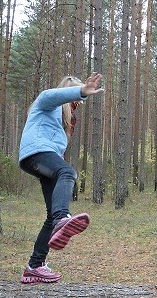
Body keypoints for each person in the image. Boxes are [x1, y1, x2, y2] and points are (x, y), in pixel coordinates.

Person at [18, 73, 104, 283]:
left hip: (44, 158)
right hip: (36, 153)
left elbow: (56, 151)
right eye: (75, 100)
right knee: (68, 173)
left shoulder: (62, 121)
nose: (76, 105)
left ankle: (34, 266)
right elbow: (50, 95)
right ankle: (61, 220)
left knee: (50, 214)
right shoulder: (48, 103)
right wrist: (81, 92)